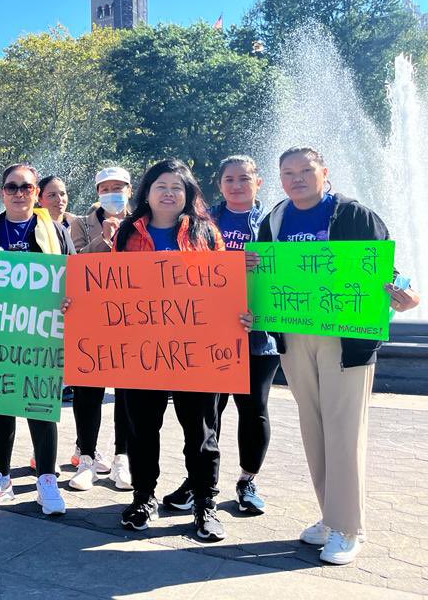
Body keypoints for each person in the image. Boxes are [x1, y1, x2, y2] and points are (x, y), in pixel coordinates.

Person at [255, 146, 419, 565]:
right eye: (287, 172)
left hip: (345, 342)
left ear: (324, 172)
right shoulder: (274, 219)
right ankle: (330, 517)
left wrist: (407, 293)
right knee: (314, 430)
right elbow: (261, 276)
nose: (297, 179)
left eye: (306, 171)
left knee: (344, 433)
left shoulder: (354, 215)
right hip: (294, 337)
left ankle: (350, 528)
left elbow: (386, 268)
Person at [115, 159, 252, 542]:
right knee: (142, 429)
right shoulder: (128, 233)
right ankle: (143, 498)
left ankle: (205, 503)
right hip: (141, 350)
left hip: (198, 350)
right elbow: (109, 289)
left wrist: (238, 315)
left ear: (189, 193)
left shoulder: (206, 232)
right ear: (147, 192)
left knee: (202, 431)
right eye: (161, 185)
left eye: (177, 186)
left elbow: (225, 286)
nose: (169, 193)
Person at [0, 163, 73, 516]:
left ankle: (46, 480)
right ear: (2, 192)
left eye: (25, 187)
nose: (18, 193)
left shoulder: (55, 232)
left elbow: (72, 277)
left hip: (41, 333)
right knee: (0, 406)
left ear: (35, 193)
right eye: (11, 187)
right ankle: (0, 476)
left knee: (41, 408)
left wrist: (69, 299)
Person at [184, 155, 279, 515]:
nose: (236, 185)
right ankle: (200, 482)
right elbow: (186, 267)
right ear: (219, 185)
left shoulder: (274, 221)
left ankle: (247, 480)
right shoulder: (202, 221)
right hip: (213, 329)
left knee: (253, 410)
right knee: (208, 411)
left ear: (259, 182)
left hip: (260, 332)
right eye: (229, 179)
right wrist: (229, 264)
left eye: (244, 179)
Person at [66, 167, 135, 492]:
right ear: (97, 192)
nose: (112, 192)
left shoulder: (142, 222)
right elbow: (75, 263)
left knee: (126, 392)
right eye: (106, 188)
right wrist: (104, 240)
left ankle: (122, 456)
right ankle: (88, 458)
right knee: (87, 392)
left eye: (118, 187)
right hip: (91, 318)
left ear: (130, 190)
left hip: (131, 319)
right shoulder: (79, 224)